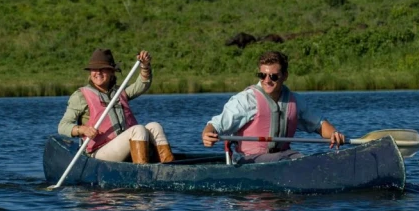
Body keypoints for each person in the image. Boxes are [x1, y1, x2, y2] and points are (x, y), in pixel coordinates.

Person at [201, 51, 345, 163]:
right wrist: (207, 134)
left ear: (285, 76)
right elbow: (216, 125)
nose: (267, 81)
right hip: (249, 161)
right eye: (262, 76)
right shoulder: (246, 99)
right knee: (295, 160)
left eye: (273, 76)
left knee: (300, 159)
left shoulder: (295, 101)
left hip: (283, 158)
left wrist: (334, 134)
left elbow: (319, 124)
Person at [58, 48, 174, 164]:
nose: (98, 72)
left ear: (111, 72)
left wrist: (145, 66)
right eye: (94, 69)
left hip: (126, 147)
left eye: (103, 69)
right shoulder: (80, 96)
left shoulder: (119, 92)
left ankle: (169, 169)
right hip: (98, 152)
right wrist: (82, 129)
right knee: (138, 130)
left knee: (155, 126)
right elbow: (63, 127)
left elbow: (142, 85)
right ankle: (141, 174)